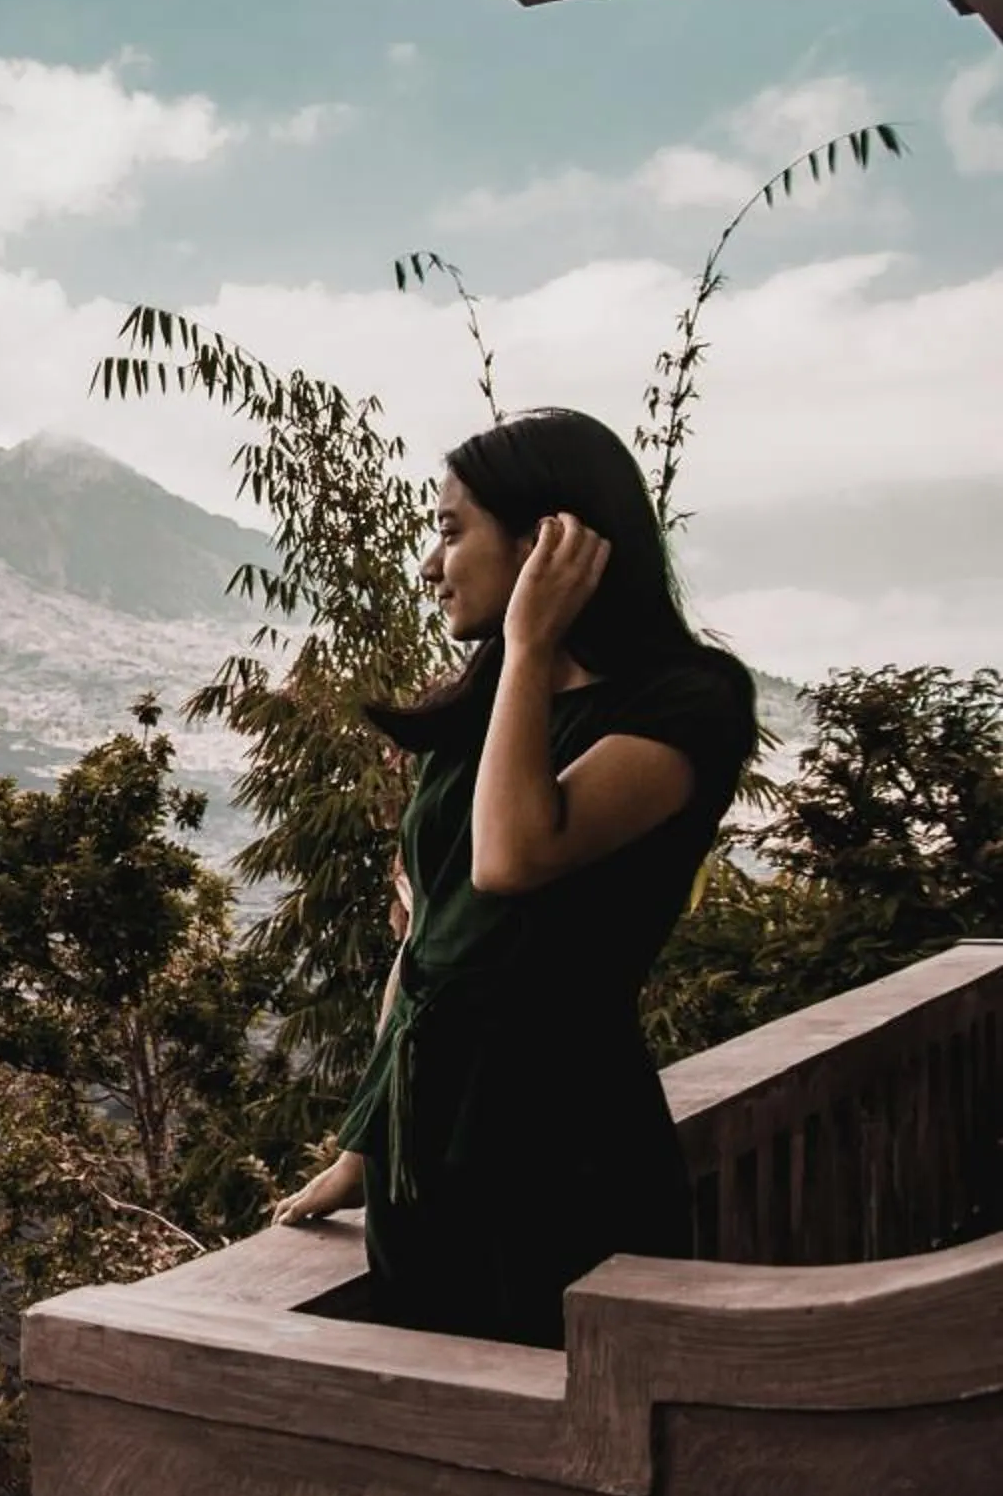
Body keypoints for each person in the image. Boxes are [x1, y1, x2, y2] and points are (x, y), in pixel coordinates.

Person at [269, 406, 759, 1348]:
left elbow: (512, 857)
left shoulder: (689, 702)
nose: (429, 565)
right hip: (426, 1162)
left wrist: (531, 645)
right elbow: (426, 952)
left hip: (562, 1150)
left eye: (451, 532)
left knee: (565, 1412)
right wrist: (367, 1144)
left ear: (545, 542)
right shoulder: (481, 715)